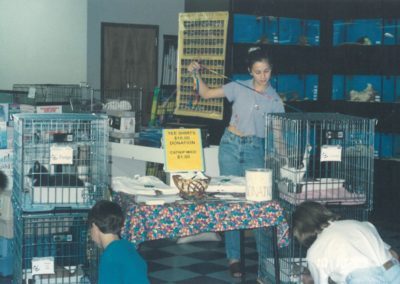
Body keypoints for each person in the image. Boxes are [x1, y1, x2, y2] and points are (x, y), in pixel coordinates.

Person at [188, 47, 285, 278]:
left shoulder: (275, 100)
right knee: (232, 204)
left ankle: (266, 261)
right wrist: (195, 74)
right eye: (258, 71)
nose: (263, 76)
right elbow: (207, 93)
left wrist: (283, 160)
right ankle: (234, 258)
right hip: (230, 145)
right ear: (250, 71)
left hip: (255, 150)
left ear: (271, 71)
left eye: (267, 71)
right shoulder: (237, 87)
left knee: (259, 204)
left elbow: (279, 135)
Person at [292, 201, 400, 284]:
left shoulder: (315, 252)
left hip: (364, 278)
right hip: (393, 269)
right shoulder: (360, 224)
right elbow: (393, 253)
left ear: (301, 231)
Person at [88, 200, 150, 284]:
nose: (90, 235)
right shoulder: (126, 246)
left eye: (90, 229)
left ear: (94, 226)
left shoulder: (110, 256)